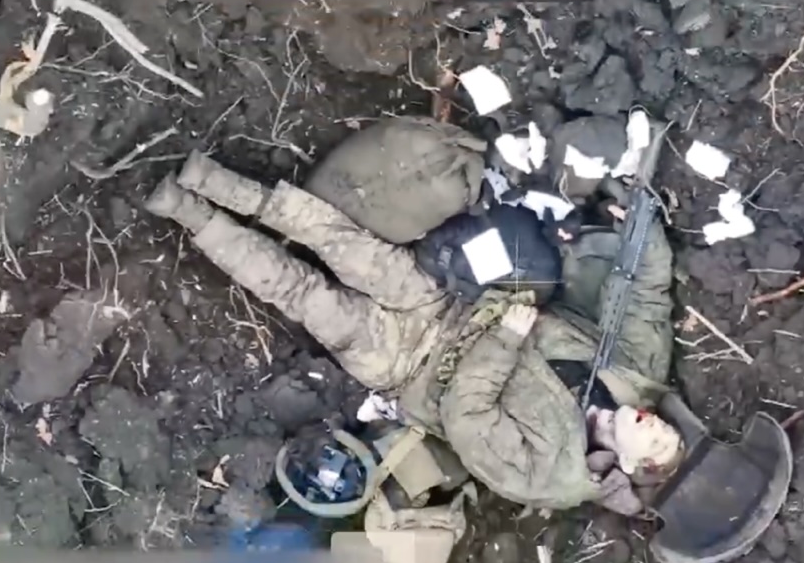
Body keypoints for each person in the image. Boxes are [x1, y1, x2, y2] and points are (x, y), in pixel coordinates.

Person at [145, 149, 681, 513]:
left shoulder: (550, 477)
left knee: (299, 291)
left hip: (404, 366)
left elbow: (466, 417)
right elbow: (647, 296)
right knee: (338, 239)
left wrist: (507, 341)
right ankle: (213, 180)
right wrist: (641, 219)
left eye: (654, 441)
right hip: (446, 302)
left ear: (632, 465)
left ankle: (189, 213)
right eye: (665, 425)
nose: (652, 421)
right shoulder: (634, 373)